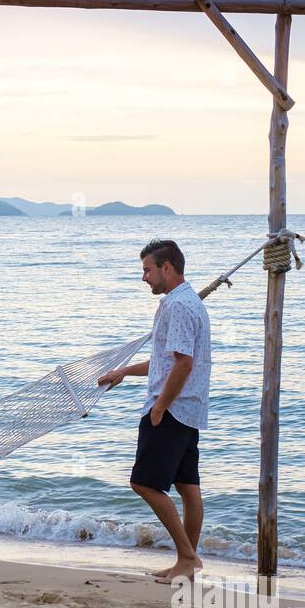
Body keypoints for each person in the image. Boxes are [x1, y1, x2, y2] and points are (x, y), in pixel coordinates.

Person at [98, 239, 211, 584]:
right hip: (189, 409)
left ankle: (188, 558)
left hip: (172, 409)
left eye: (148, 269)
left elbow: (183, 364)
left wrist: (160, 407)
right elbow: (167, 361)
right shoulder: (187, 301)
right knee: (187, 487)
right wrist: (123, 372)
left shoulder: (177, 306)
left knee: (143, 483)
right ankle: (184, 566)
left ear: (167, 267)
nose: (144, 277)